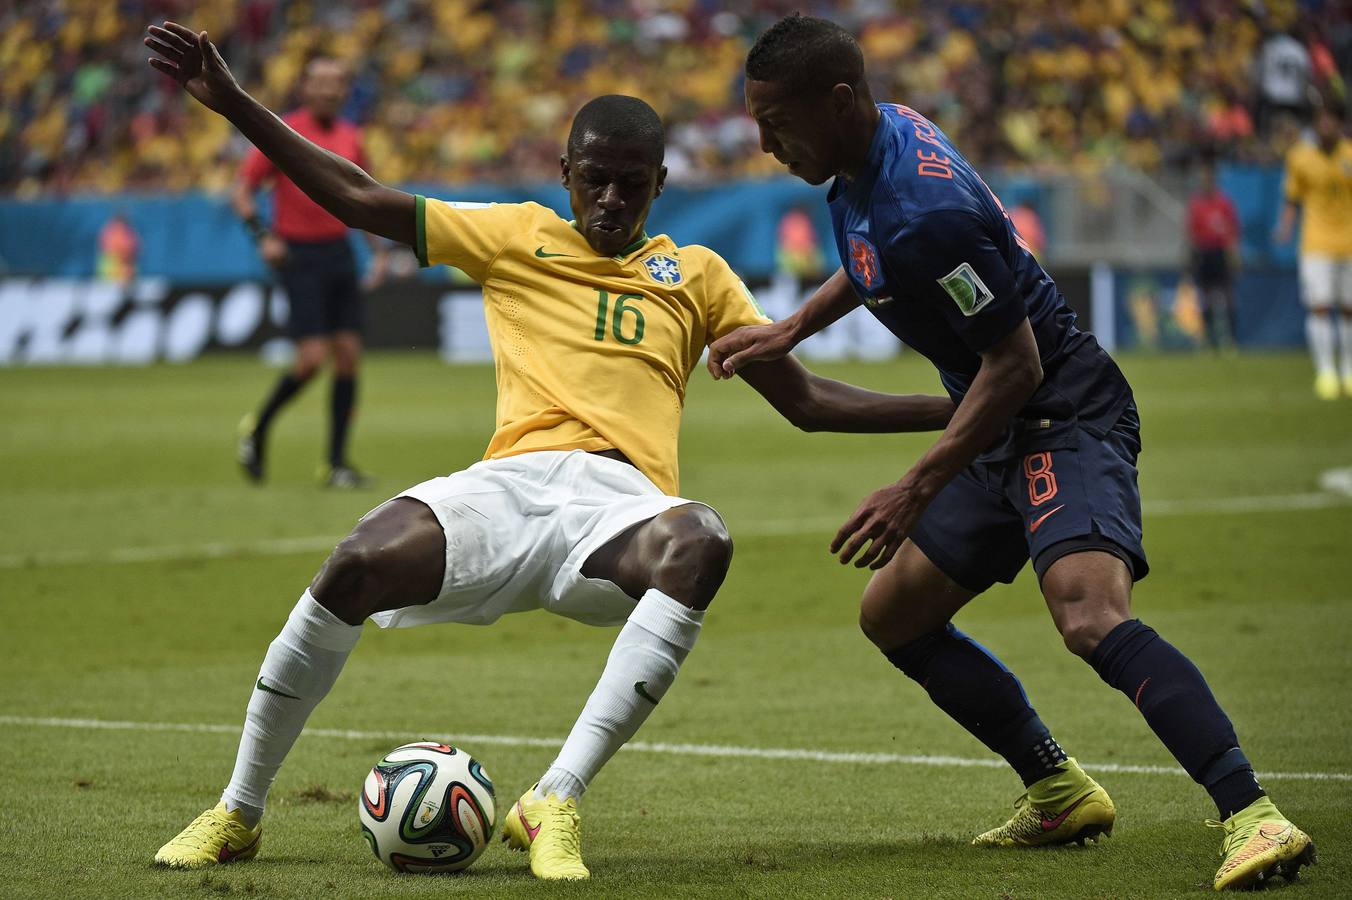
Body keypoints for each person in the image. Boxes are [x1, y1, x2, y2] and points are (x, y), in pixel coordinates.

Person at [144, 21, 954, 881]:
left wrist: (961, 409)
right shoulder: (513, 236)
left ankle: (554, 799)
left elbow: (810, 402)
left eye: (631, 186)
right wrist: (232, 102)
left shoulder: (701, 276)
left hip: (619, 511)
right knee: (352, 564)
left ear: (660, 186)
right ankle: (238, 810)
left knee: (702, 539)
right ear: (566, 175)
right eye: (595, 181)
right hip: (508, 488)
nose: (610, 200)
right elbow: (357, 196)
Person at [710, 15, 1315, 892]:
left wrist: (917, 485)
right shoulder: (867, 157)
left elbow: (1017, 362)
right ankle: (1059, 790)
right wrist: (794, 326)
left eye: (776, 123)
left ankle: (1254, 814)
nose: (764, 145)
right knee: (894, 615)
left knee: (1087, 614)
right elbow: (873, 260)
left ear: (838, 102)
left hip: (1061, 408)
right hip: (998, 415)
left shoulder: (928, 212)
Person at [232, 55, 390, 488]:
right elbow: (243, 191)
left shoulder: (352, 137)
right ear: (305, 88)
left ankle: (336, 463)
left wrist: (377, 251)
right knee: (311, 358)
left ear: (344, 90)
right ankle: (259, 427)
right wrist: (262, 234)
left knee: (348, 356)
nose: (327, 90)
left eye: (335, 82)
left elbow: (366, 200)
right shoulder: (282, 131)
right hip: (298, 255)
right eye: (319, 82)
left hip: (339, 251)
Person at [1275, 105, 1352, 400]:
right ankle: (1326, 372)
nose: (1326, 127)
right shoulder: (1300, 157)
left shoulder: (1349, 154)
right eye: (1322, 122)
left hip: (1348, 242)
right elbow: (1292, 197)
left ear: (1340, 124)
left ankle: (1347, 370)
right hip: (1316, 242)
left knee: (1348, 309)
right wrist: (1285, 227)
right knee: (1319, 306)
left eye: (1331, 121)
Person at [1186, 159, 1241, 351]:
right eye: (1204, 178)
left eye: (1209, 177)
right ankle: (1210, 341)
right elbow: (1192, 233)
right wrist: (1191, 257)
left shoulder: (1224, 203)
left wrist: (1233, 254)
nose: (1206, 181)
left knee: (1227, 298)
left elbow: (1232, 231)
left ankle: (1231, 341)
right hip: (1204, 252)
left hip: (1220, 252)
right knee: (1206, 299)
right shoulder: (1196, 204)